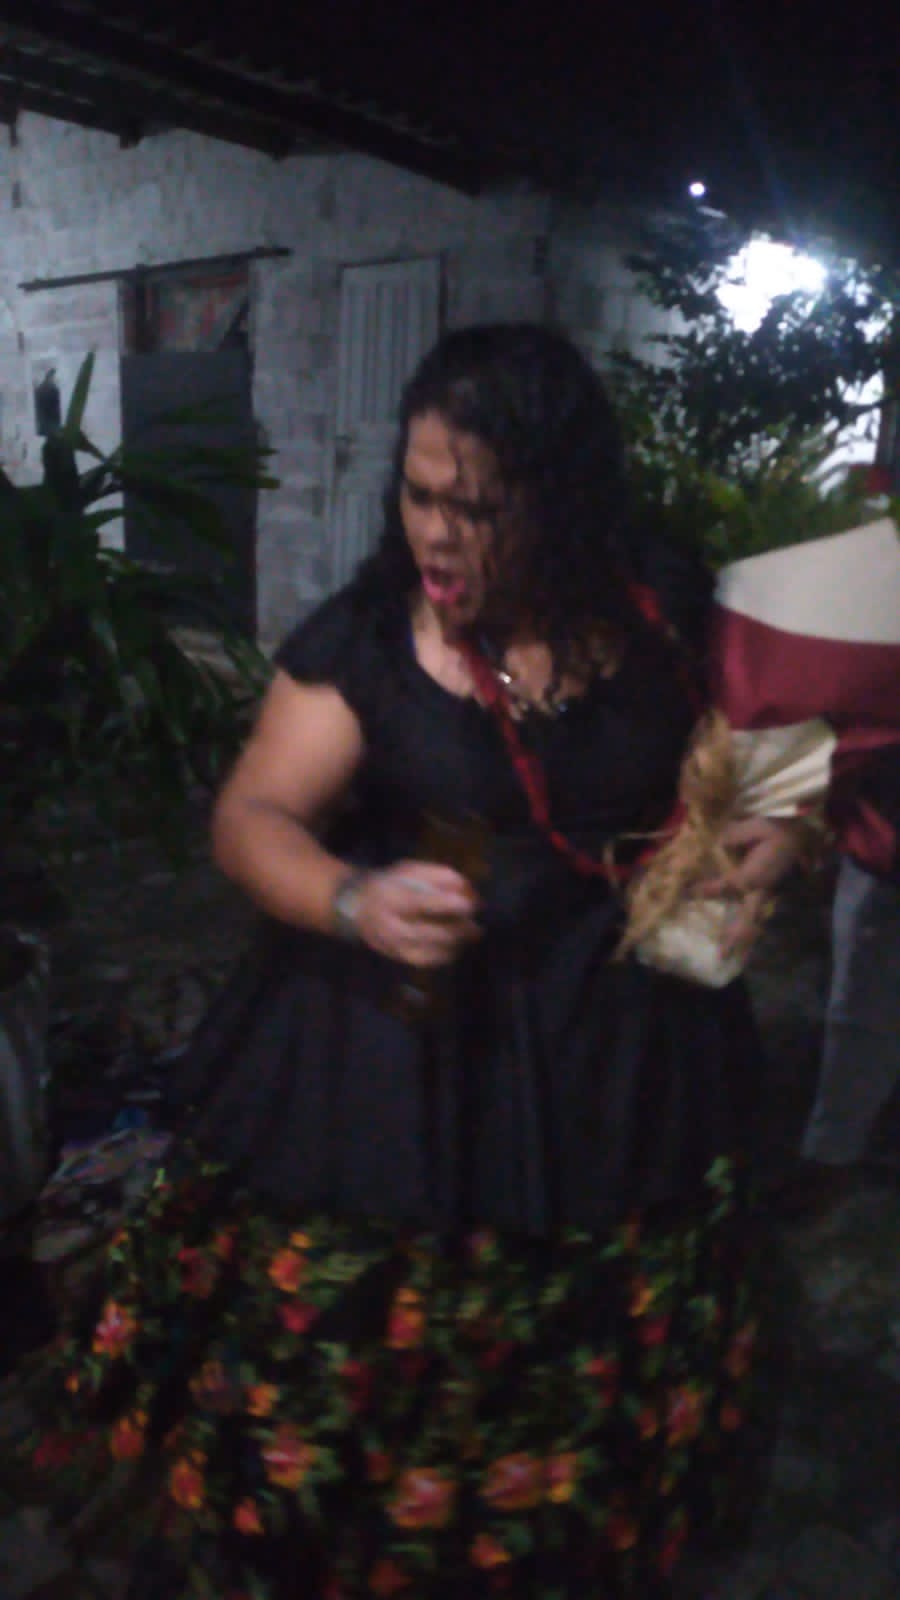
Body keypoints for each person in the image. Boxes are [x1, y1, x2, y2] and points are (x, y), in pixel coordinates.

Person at [23, 325, 810, 1599]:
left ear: (564, 502)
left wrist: (773, 832)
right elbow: (249, 818)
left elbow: (762, 755)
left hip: (619, 1046)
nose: (437, 535)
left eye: (477, 508)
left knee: (598, 1355)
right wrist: (351, 897)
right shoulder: (368, 645)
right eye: (418, 493)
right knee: (351, 1368)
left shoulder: (659, 607)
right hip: (397, 1043)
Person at [777, 744, 900, 1219]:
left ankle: (834, 1155)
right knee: (861, 1012)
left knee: (863, 1014)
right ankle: (833, 1154)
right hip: (885, 847)